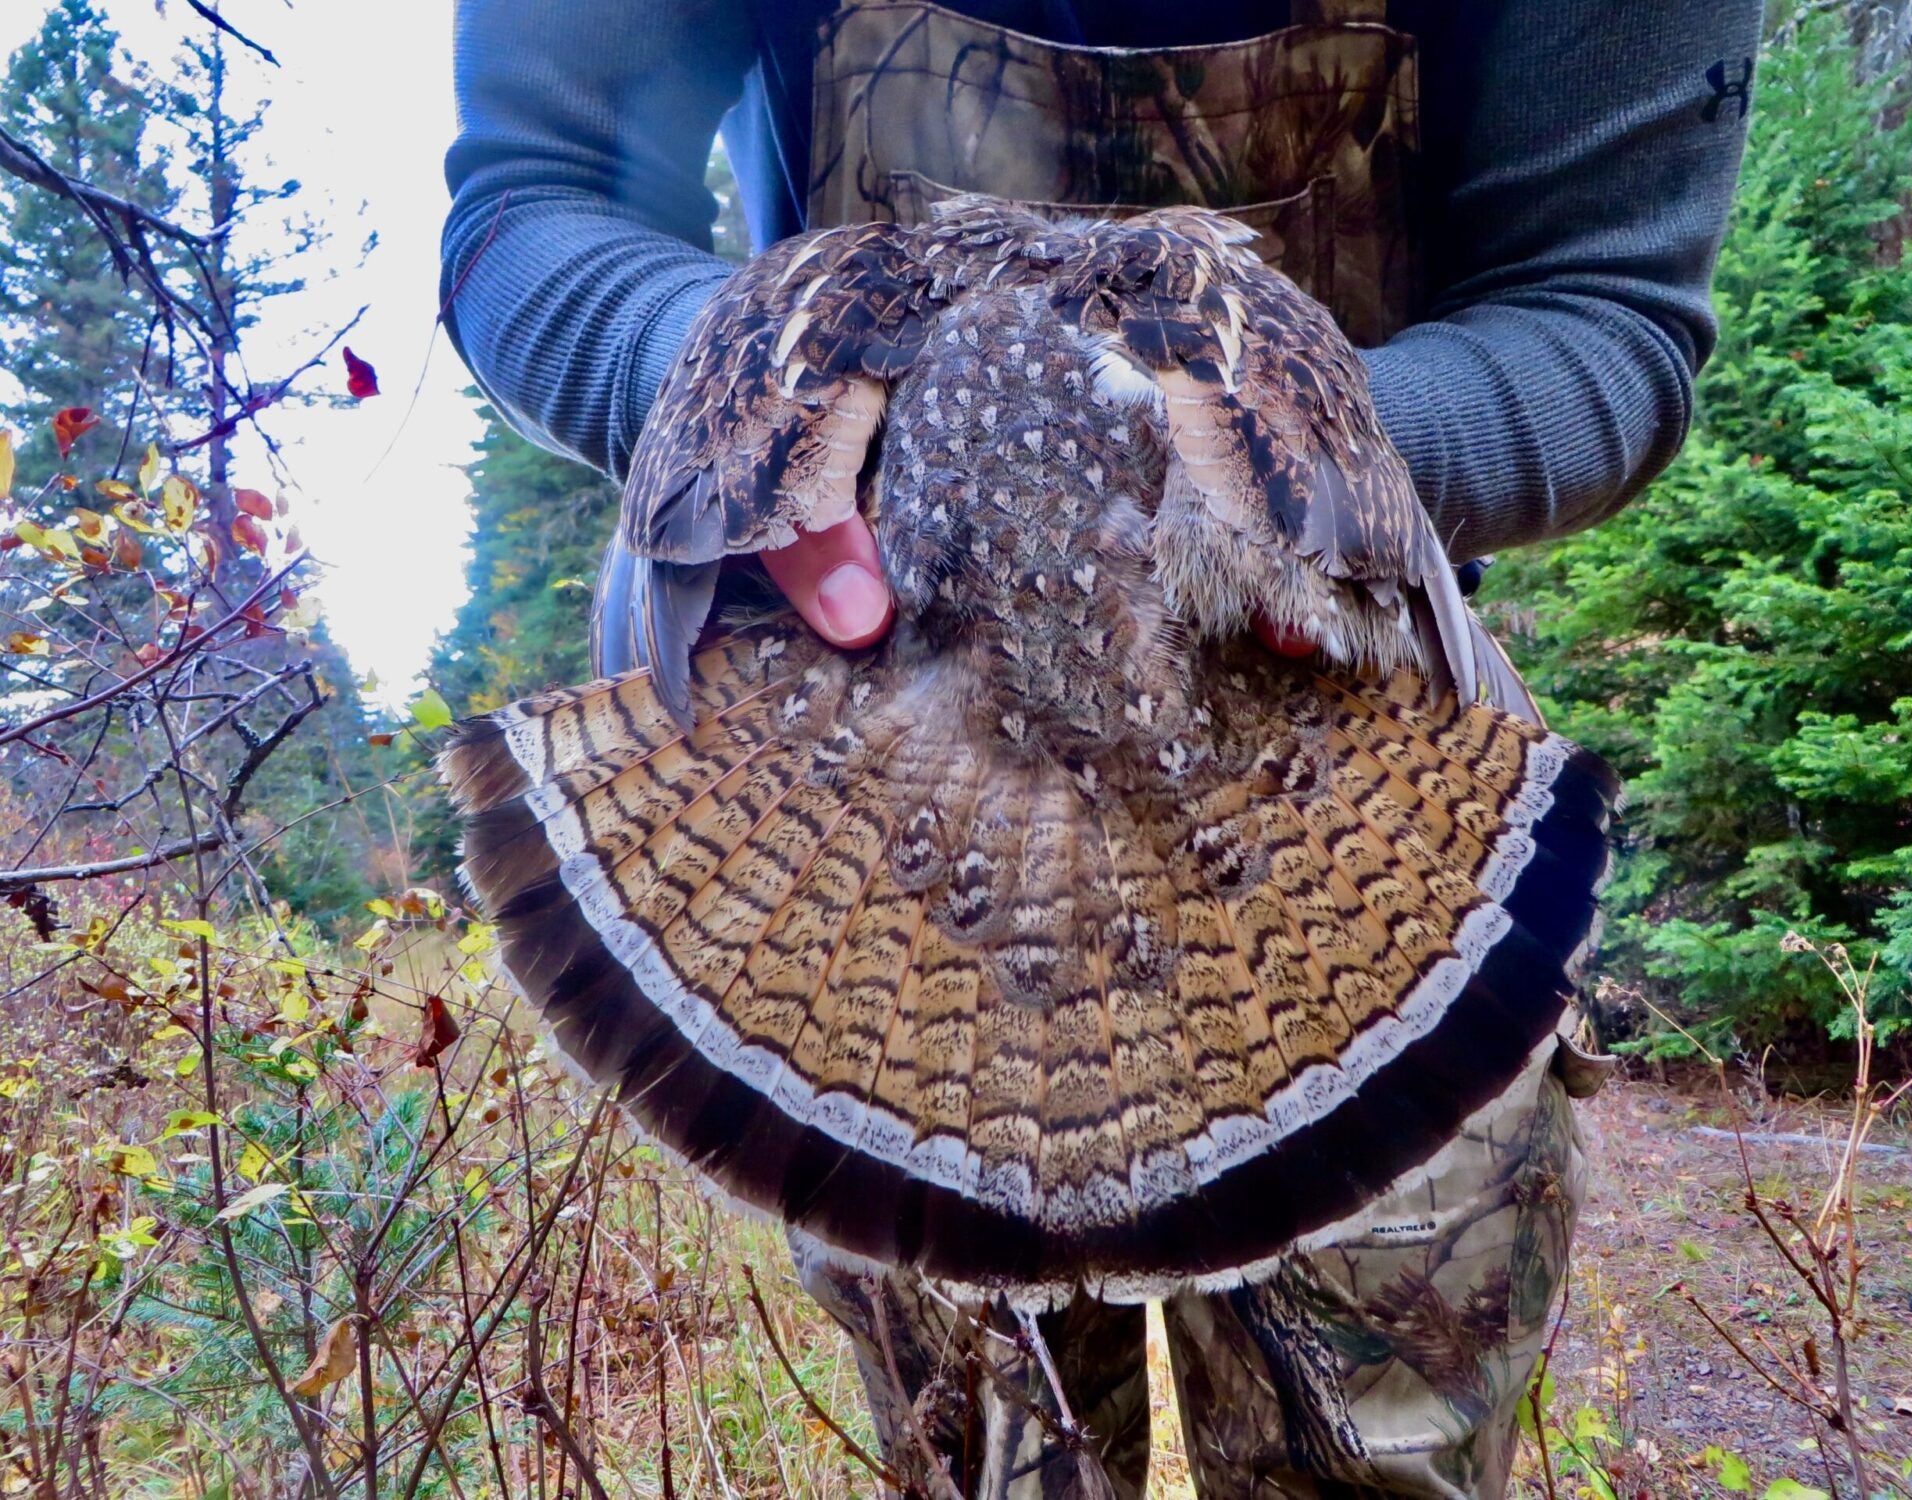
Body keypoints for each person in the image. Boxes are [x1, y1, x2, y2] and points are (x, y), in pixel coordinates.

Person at [441, 3, 1761, 1494]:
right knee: (992, 1470)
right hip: (886, 781)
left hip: (1350, 746)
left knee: (1389, 1471)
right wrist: (751, 394)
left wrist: (1309, 461)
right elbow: (537, 196)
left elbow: (1605, 303)